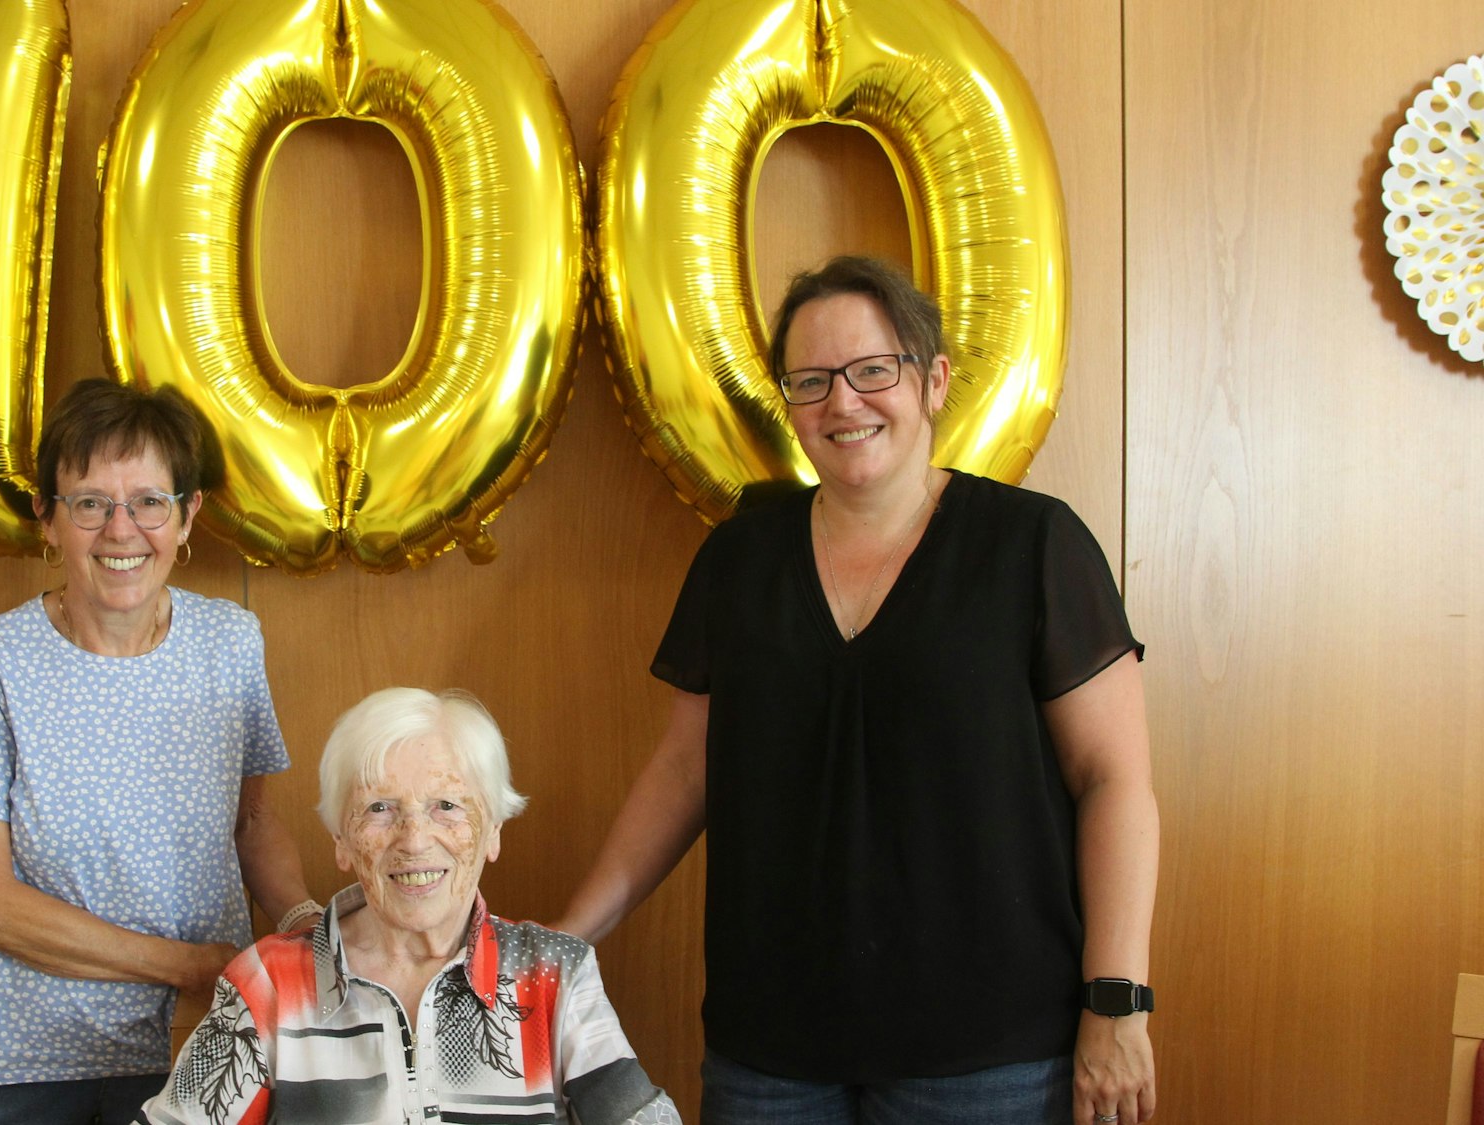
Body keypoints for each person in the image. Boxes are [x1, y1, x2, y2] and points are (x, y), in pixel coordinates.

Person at [556, 256, 1159, 1125]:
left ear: (933, 379)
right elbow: (686, 772)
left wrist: (1117, 996)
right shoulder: (738, 561)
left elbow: (1116, 784)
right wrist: (569, 938)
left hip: (990, 1057)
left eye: (874, 370)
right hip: (770, 1057)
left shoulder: (1034, 546)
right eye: (813, 381)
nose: (844, 402)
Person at [0, 378, 321, 1125]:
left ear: (187, 516)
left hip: (206, 1040)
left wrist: (304, 917)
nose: (121, 529)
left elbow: (251, 823)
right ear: (47, 518)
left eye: (148, 501)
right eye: (89, 503)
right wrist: (188, 962)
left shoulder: (232, 640)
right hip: (20, 1062)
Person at [138, 687, 680, 1125]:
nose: (414, 839)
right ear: (341, 841)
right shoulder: (271, 983)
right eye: (379, 808)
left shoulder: (553, 973)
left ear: (492, 831)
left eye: (446, 806)